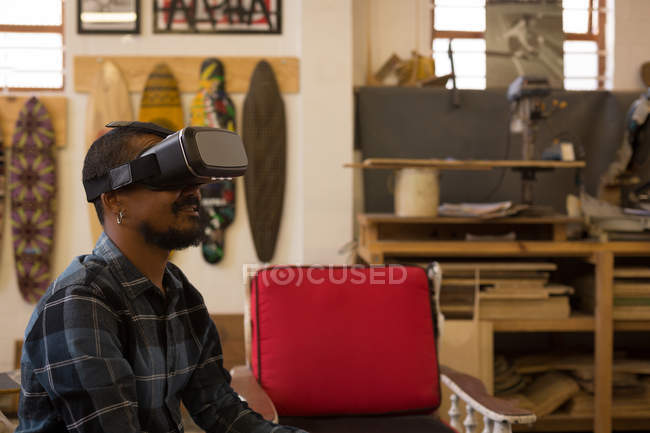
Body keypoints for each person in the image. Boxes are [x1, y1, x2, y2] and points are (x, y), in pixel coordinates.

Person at [17, 123, 305, 433]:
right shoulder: (80, 303)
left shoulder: (179, 292)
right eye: (171, 176)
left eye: (195, 179)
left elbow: (220, 408)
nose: (193, 191)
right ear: (114, 199)